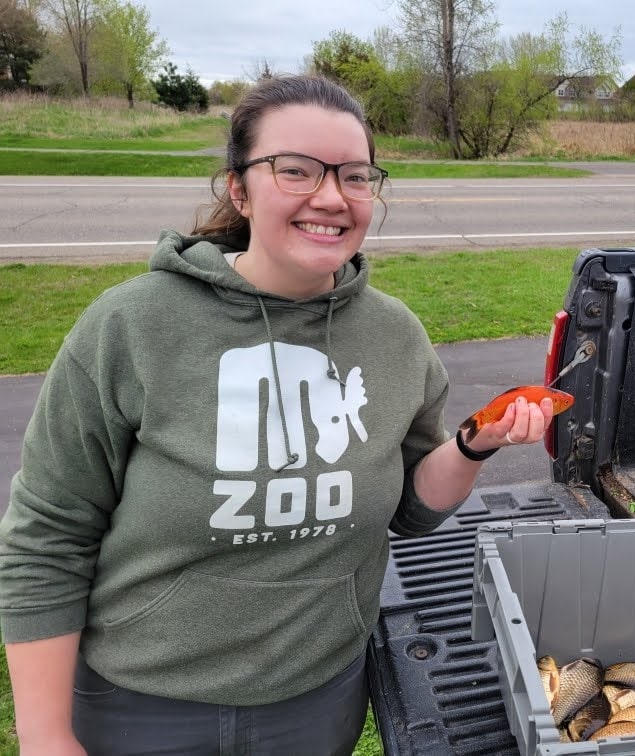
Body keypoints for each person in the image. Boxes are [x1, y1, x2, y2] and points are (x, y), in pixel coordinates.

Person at [0, 74, 555, 756]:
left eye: (354, 176)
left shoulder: (394, 336)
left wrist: (475, 444)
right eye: (295, 170)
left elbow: (409, 508)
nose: (330, 197)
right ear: (240, 189)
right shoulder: (132, 326)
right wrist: (46, 735)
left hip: (315, 701)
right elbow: (47, 535)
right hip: (140, 706)